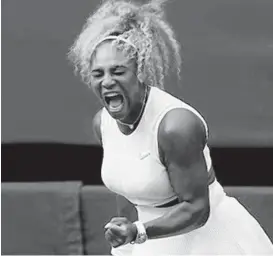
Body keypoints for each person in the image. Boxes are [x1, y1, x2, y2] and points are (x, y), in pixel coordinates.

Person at [68, 0, 273, 255]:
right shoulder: (102, 123)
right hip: (150, 239)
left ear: (140, 72)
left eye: (118, 71)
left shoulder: (176, 126)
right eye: (98, 74)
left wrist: (138, 232)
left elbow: (197, 209)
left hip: (208, 239)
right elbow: (129, 184)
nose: (107, 81)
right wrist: (127, 231)